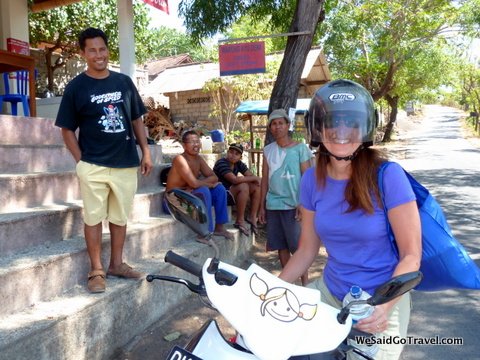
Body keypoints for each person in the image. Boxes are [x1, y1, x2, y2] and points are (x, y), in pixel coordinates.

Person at [279, 79, 422, 359]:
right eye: (332, 123)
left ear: (365, 129)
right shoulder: (311, 179)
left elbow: (411, 256)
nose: (341, 132)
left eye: (351, 123)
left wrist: (384, 307)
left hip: (380, 303)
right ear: (317, 129)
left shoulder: (388, 176)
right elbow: (307, 249)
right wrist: (270, 290)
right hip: (331, 291)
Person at [55, 27, 153, 294]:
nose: (99, 55)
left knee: (120, 218)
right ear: (83, 53)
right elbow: (66, 129)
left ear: (107, 49)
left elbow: (136, 119)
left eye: (102, 49)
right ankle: (96, 270)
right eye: (92, 50)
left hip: (124, 161)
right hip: (93, 164)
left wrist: (145, 150)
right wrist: (80, 162)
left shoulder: (123, 83)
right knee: (94, 218)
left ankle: (117, 264)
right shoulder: (76, 87)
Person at [258, 109, 313, 286]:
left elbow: (307, 177)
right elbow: (264, 180)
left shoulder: (300, 148)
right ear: (270, 128)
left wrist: (303, 203)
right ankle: (287, 285)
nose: (277, 126)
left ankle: (305, 284)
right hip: (274, 205)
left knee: (298, 247)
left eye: (281, 123)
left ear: (288, 125)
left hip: (294, 205)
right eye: (273, 124)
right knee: (280, 245)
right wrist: (261, 207)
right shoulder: (267, 150)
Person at [166, 130, 233, 240]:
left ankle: (219, 228)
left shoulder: (198, 159)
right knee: (204, 190)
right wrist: (206, 185)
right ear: (184, 145)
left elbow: (214, 177)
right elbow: (194, 183)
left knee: (220, 189)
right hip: (173, 199)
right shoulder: (180, 159)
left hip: (190, 193)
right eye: (192, 142)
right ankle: (205, 233)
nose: (196, 144)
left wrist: (196, 185)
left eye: (197, 141)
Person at [213, 143, 261, 236]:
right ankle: (240, 220)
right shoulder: (221, 163)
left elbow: (250, 175)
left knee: (256, 186)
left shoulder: (238, 164)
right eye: (231, 152)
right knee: (243, 186)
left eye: (236, 154)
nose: (233, 155)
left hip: (232, 193)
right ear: (227, 152)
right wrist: (255, 178)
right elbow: (234, 180)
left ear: (240, 157)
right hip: (222, 195)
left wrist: (255, 179)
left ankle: (252, 217)